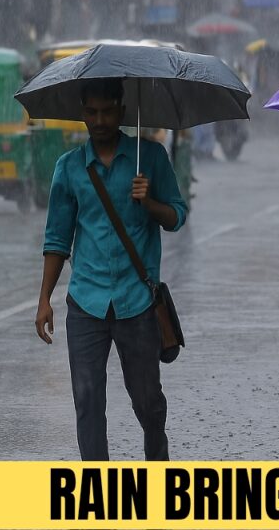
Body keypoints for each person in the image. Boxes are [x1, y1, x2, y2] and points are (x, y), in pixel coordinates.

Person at [35, 78, 187, 461]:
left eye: (107, 112)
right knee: (87, 399)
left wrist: (149, 202)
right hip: (86, 302)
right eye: (91, 112)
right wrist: (44, 300)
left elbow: (177, 216)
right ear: (82, 113)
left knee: (148, 401)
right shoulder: (69, 168)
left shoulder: (149, 158)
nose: (99, 120)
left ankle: (158, 463)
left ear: (122, 110)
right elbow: (57, 239)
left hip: (137, 303)